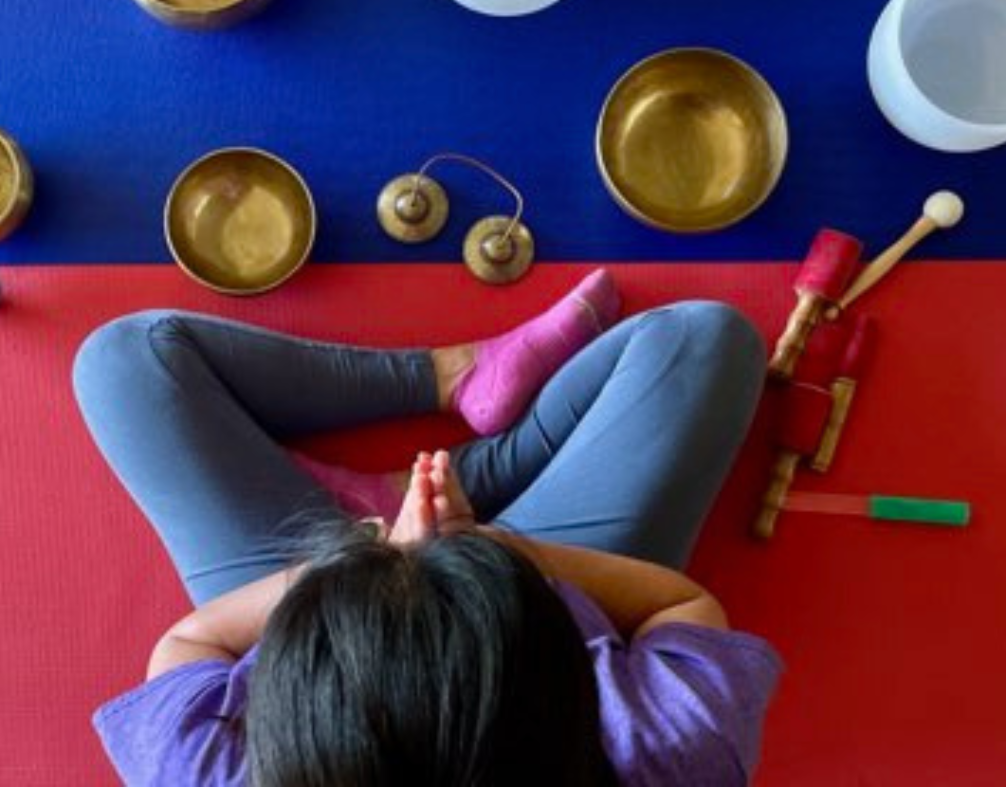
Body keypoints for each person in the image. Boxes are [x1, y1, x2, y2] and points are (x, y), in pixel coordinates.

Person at [73, 269, 782, 786]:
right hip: (535, 575)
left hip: (309, 588)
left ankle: (439, 394)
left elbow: (193, 640)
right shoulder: (665, 753)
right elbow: (678, 605)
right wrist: (498, 555)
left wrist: (363, 556)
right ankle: (467, 444)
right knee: (702, 340)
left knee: (126, 362)